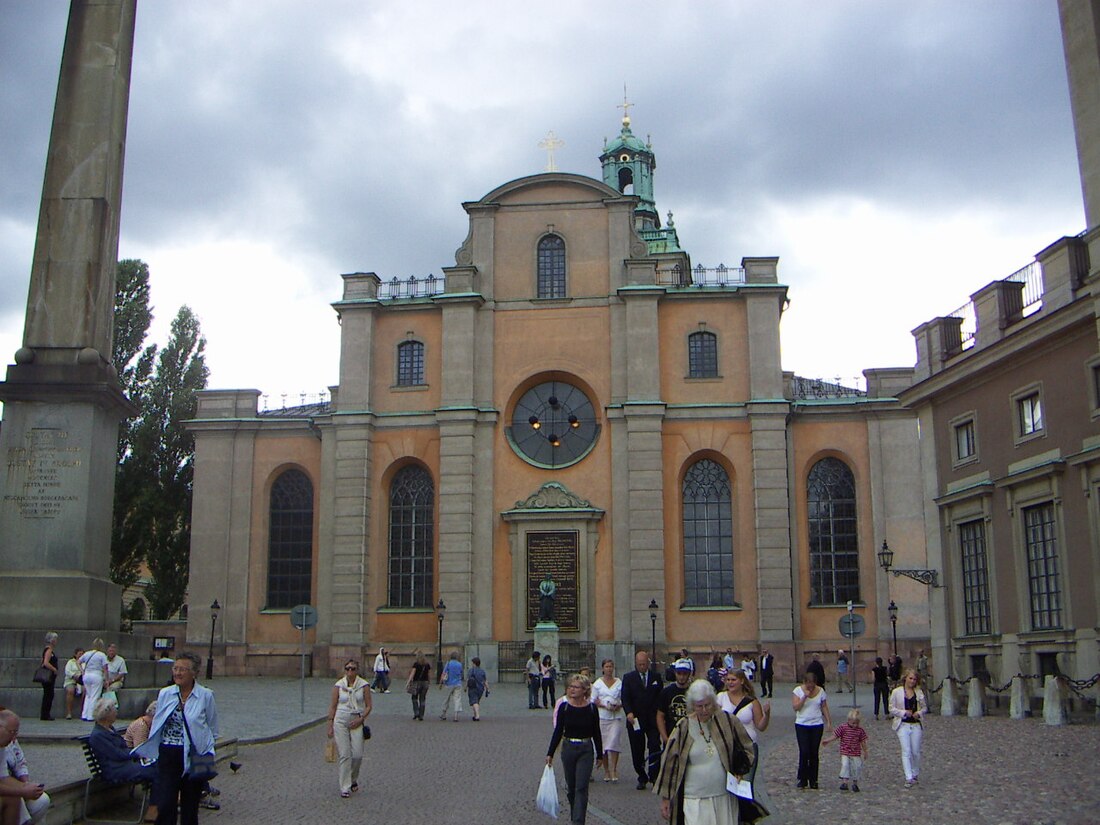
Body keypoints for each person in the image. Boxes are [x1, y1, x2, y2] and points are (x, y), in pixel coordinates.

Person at [133, 651, 219, 825]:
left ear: (194, 672)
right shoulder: (166, 693)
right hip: (168, 753)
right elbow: (158, 722)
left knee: (189, 807)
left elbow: (212, 727)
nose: (178, 673)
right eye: (176, 668)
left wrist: (207, 750)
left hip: (192, 755)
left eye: (183, 669)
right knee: (165, 804)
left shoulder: (205, 695)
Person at [653, 679, 755, 825]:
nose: (704, 710)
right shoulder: (683, 727)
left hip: (723, 796)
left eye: (707, 705)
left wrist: (741, 769)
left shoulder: (727, 721)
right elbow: (670, 761)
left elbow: (747, 747)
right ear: (692, 705)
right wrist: (666, 797)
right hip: (694, 798)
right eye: (699, 706)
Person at [546, 674, 604, 825]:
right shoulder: (564, 707)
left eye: (576, 687)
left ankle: (578, 821)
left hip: (585, 748)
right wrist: (550, 753)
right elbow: (558, 730)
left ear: (584, 690)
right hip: (569, 748)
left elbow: (596, 731)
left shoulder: (591, 708)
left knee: (581, 787)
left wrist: (600, 754)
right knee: (571, 788)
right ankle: (575, 814)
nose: (572, 690)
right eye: (570, 686)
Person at [87, 699, 159, 821]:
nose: (116, 712)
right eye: (114, 710)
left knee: (160, 766)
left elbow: (123, 750)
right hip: (115, 770)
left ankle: (156, 806)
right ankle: (154, 809)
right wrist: (137, 753)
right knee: (157, 771)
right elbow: (117, 754)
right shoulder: (98, 735)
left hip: (123, 765)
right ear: (106, 714)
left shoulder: (109, 729)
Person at [717, 668, 773, 816]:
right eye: (728, 680)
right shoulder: (721, 698)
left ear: (742, 681)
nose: (730, 683)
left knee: (745, 787)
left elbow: (761, 726)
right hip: (727, 748)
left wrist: (767, 715)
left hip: (748, 749)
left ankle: (747, 818)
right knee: (728, 787)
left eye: (733, 679)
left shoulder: (751, 701)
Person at [326, 658, 371, 798]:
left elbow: (369, 706)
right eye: (347, 669)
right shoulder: (338, 685)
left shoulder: (364, 685)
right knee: (345, 755)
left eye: (352, 669)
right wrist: (330, 725)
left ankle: (353, 779)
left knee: (357, 755)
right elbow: (333, 706)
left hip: (356, 719)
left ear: (357, 670)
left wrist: (361, 719)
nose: (350, 671)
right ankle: (344, 787)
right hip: (340, 720)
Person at [620, 650, 663, 790]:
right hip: (636, 719)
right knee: (637, 749)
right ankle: (641, 775)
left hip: (652, 720)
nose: (642, 667)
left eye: (644, 664)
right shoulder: (628, 678)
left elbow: (660, 697)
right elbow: (625, 697)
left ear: (648, 663)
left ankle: (654, 774)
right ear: (635, 664)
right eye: (639, 664)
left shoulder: (656, 677)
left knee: (655, 745)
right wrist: (629, 712)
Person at [0, 710, 51, 824]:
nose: (14, 738)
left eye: (16, 733)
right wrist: (20, 791)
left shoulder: (2, 745)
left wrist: (26, 787)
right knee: (13, 798)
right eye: (11, 732)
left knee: (40, 799)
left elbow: (3, 777)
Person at [792, 671, 831, 790]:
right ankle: (802, 778)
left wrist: (828, 721)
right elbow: (796, 707)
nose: (810, 687)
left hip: (816, 724)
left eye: (813, 684)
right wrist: (804, 697)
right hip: (802, 724)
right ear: (804, 682)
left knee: (814, 752)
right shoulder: (797, 691)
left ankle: (814, 779)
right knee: (804, 751)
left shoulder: (821, 691)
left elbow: (824, 706)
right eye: (808, 684)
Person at [889, 668, 927, 789]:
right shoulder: (896, 692)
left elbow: (924, 708)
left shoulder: (919, 692)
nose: (912, 681)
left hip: (915, 724)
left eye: (914, 679)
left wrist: (919, 713)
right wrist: (903, 712)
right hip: (903, 724)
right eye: (910, 678)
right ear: (905, 678)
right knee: (906, 751)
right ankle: (908, 776)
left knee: (915, 751)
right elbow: (891, 708)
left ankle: (915, 773)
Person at [591, 658, 624, 782]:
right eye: (607, 667)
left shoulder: (619, 682)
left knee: (614, 742)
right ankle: (606, 770)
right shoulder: (597, 684)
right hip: (602, 716)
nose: (609, 669)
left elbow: (624, 697)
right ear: (603, 668)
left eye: (611, 666)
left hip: (615, 716)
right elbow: (593, 699)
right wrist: (603, 704)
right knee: (604, 745)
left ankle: (614, 769)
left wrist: (619, 704)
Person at [822, 707, 869, 791]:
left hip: (856, 752)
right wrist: (828, 740)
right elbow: (835, 736)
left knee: (856, 767)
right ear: (849, 720)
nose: (855, 725)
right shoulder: (843, 727)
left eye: (857, 723)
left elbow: (863, 742)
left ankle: (855, 783)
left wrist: (865, 751)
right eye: (853, 723)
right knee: (845, 765)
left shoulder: (860, 730)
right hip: (845, 751)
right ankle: (845, 782)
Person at [656, 659, 693, 744]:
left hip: (690, 737)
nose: (681, 677)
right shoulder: (666, 692)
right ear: (675, 673)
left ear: (689, 674)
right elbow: (660, 715)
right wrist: (665, 737)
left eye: (684, 674)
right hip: (671, 735)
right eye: (679, 673)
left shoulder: (694, 691)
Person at [78, 639, 109, 721]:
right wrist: (106, 679)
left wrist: (82, 671)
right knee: (95, 695)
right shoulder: (102, 655)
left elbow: (78, 662)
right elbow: (105, 668)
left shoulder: (87, 653)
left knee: (88, 695)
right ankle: (91, 715)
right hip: (97, 675)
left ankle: (84, 714)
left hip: (87, 675)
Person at [37, 632, 59, 721]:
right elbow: (45, 663)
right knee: (48, 694)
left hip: (50, 676)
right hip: (48, 675)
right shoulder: (49, 650)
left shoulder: (47, 650)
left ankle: (45, 713)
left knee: (48, 694)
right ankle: (45, 714)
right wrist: (54, 669)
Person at [438, 651, 464, 721]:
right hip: (458, 684)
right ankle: (456, 716)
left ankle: (444, 714)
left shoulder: (448, 663)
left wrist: (440, 683)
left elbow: (443, 674)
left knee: (446, 699)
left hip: (448, 684)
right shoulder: (459, 664)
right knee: (457, 699)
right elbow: (461, 674)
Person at [405, 652, 431, 721]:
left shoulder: (416, 664)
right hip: (425, 683)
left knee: (414, 698)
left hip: (416, 683)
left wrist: (408, 682)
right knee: (422, 699)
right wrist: (429, 682)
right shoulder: (427, 665)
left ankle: (416, 712)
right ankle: (421, 715)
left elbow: (412, 674)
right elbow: (428, 675)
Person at [64, 647, 85, 720]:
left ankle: (83, 712)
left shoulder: (85, 663)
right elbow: (67, 671)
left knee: (85, 691)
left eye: (82, 654)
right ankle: (69, 712)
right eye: (79, 654)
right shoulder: (70, 662)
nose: (81, 655)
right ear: (75, 654)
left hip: (82, 681)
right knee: (70, 690)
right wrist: (74, 675)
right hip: (71, 680)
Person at [105, 643, 128, 707]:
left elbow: (122, 673)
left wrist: (112, 681)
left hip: (116, 680)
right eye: (110, 651)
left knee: (111, 688)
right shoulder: (103, 658)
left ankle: (111, 707)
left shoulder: (120, 660)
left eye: (113, 651)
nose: (111, 653)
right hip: (105, 679)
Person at [467, 657, 489, 721]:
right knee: (476, 702)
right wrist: (487, 688)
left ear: (474, 663)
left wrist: (465, 687)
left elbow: (468, 680)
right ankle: (474, 715)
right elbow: (485, 681)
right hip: (480, 689)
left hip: (472, 688)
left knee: (474, 702)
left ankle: (477, 716)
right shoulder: (482, 671)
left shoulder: (471, 670)